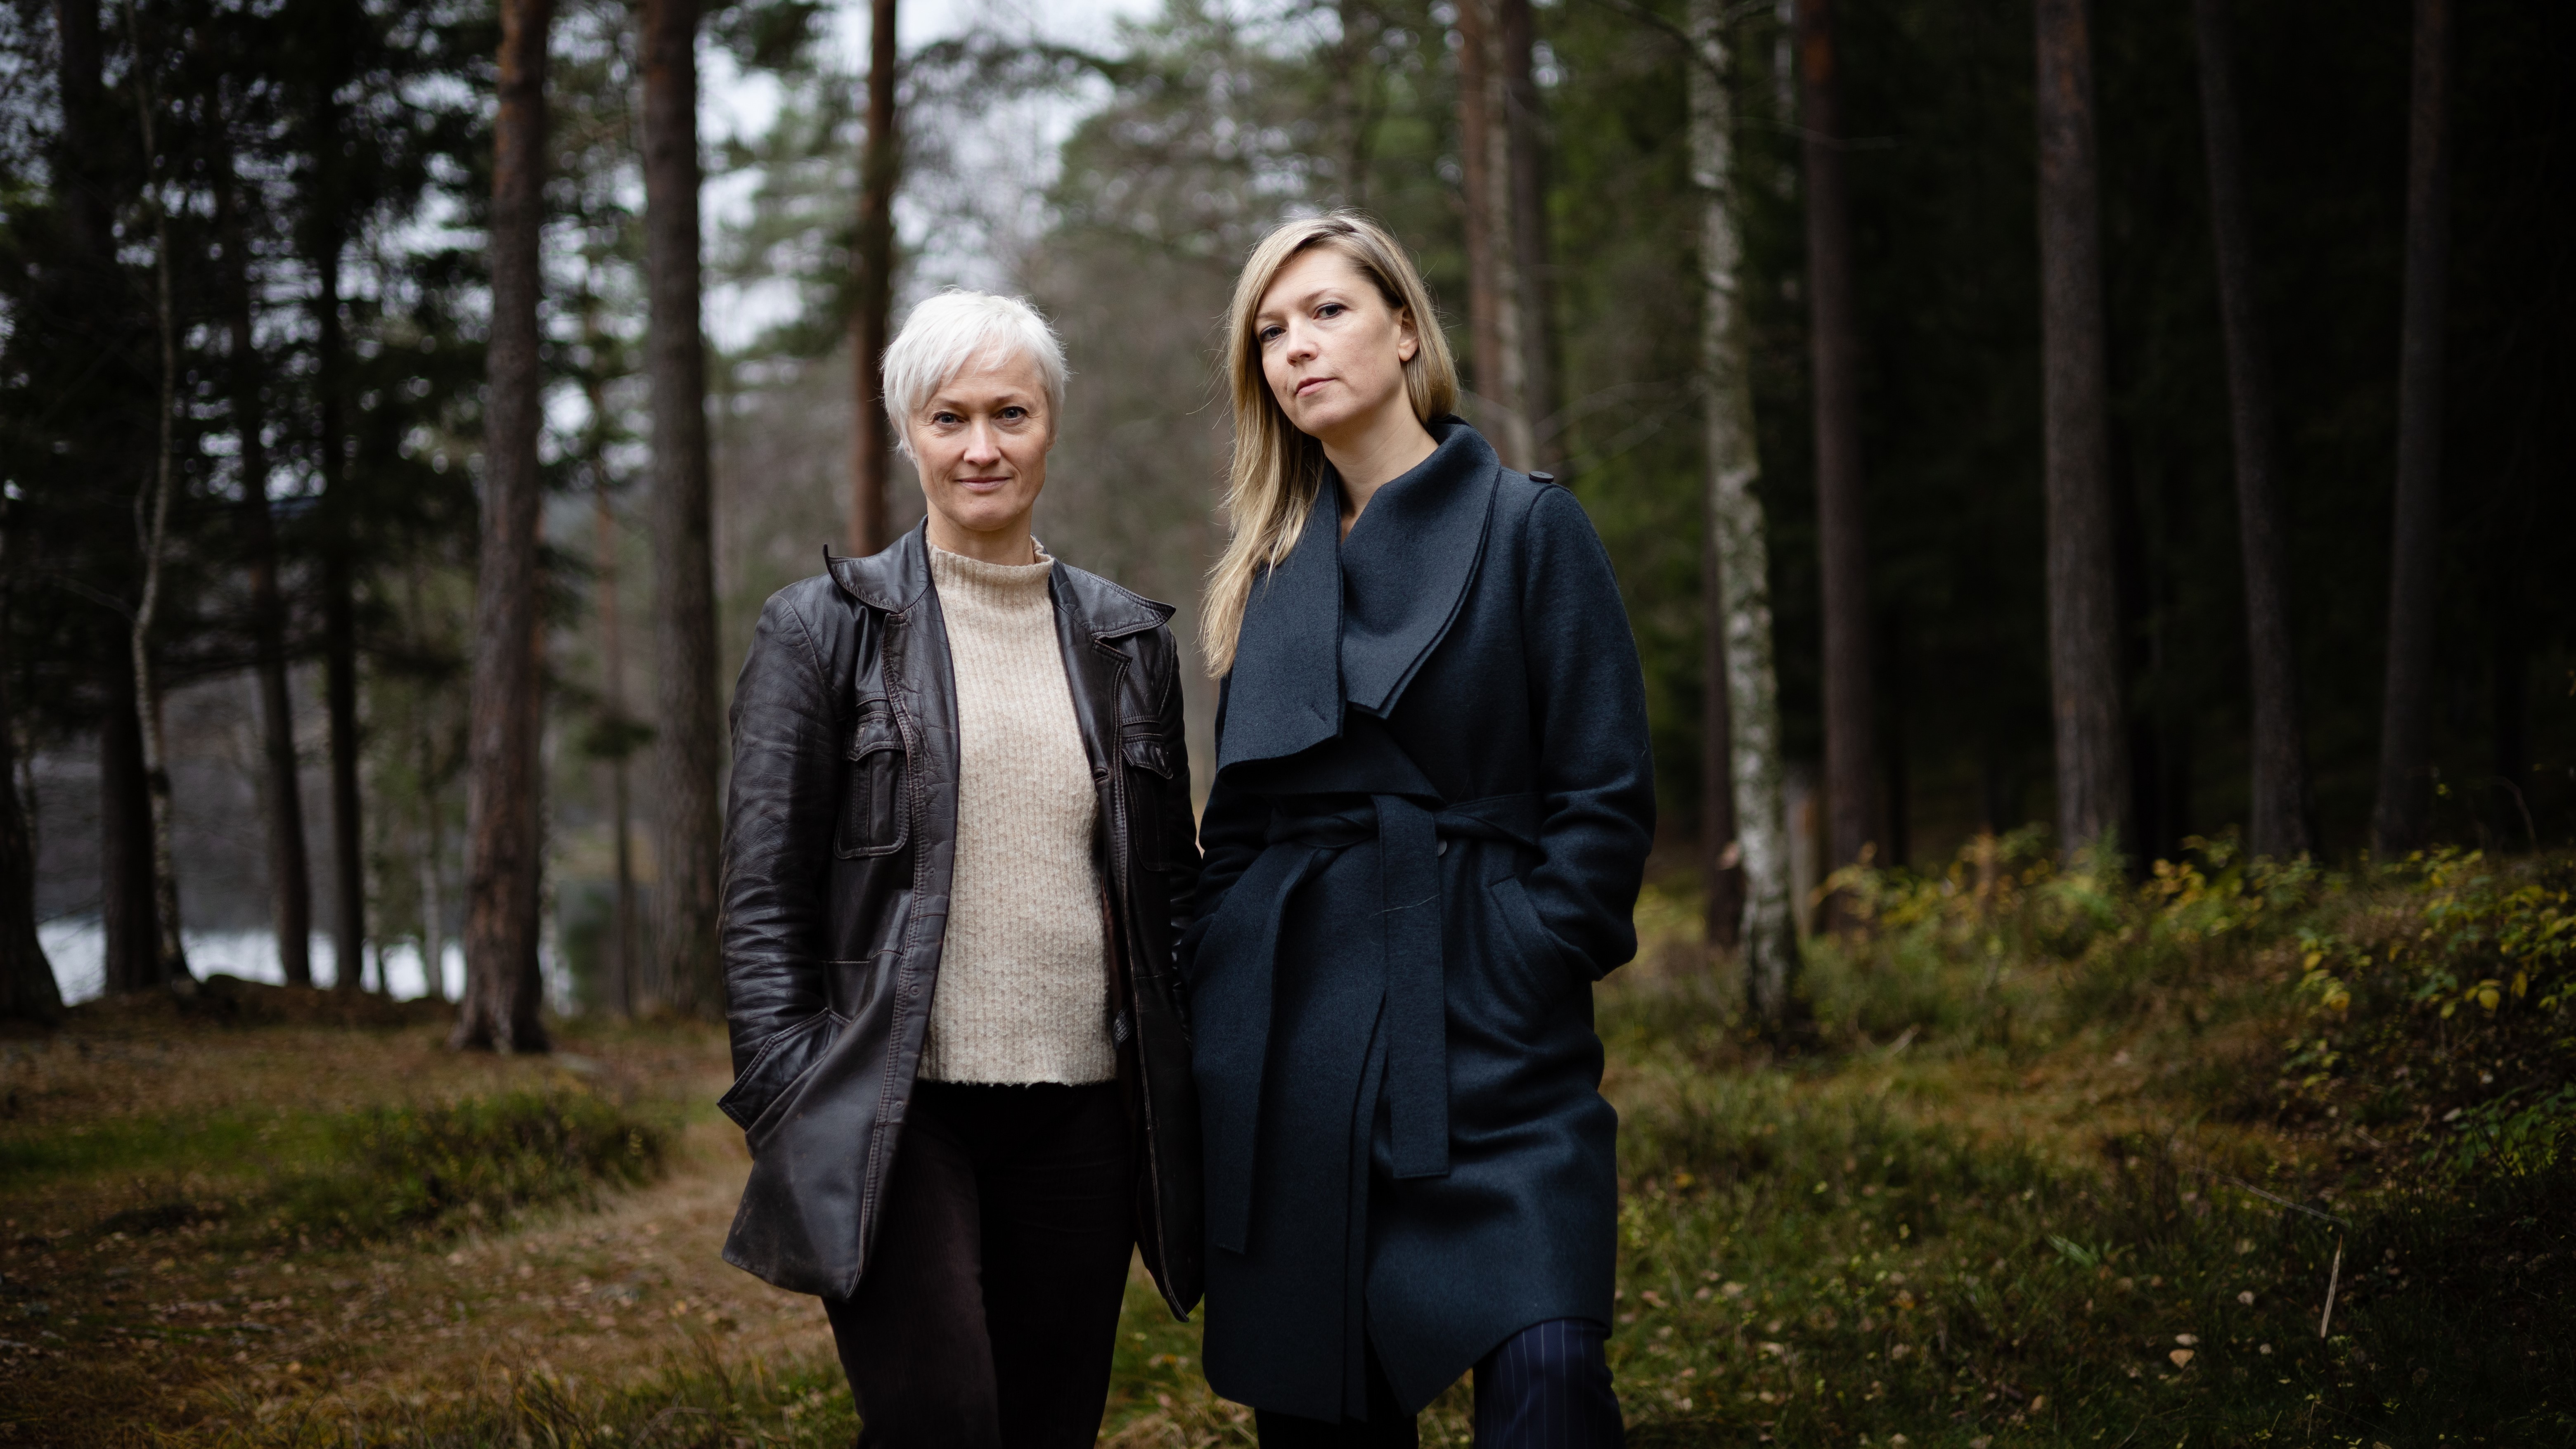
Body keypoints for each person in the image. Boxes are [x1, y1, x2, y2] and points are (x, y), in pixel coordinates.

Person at [1182, 211, 1655, 1448]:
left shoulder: (1528, 526)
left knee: (1549, 1373)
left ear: (1404, 329)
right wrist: (1226, 981)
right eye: (1271, 333)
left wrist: (1521, 953)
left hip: (1495, 1047)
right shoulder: (1270, 572)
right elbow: (1234, 830)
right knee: (1320, 1412)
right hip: (1300, 1057)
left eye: (1328, 312)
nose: (1297, 349)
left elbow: (1604, 797)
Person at [715, 289, 1203, 1448]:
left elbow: (1170, 892)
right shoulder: (820, 631)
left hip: (1083, 1116)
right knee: (944, 1420)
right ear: (908, 433)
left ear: (1051, 425)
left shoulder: (1130, 642)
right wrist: (793, 1093)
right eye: (949, 418)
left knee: (1048, 1428)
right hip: (895, 1112)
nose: (982, 447)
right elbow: (759, 901)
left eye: (1011, 414)